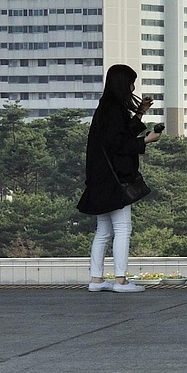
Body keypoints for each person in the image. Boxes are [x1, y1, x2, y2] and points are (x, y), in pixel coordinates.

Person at [76, 63, 158, 293]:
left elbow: (118, 136)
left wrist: (140, 112)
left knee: (103, 230)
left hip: (99, 178)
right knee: (123, 229)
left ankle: (96, 279)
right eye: (131, 82)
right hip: (115, 180)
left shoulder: (105, 107)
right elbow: (119, 144)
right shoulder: (114, 109)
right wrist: (146, 141)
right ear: (123, 83)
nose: (133, 86)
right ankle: (121, 280)